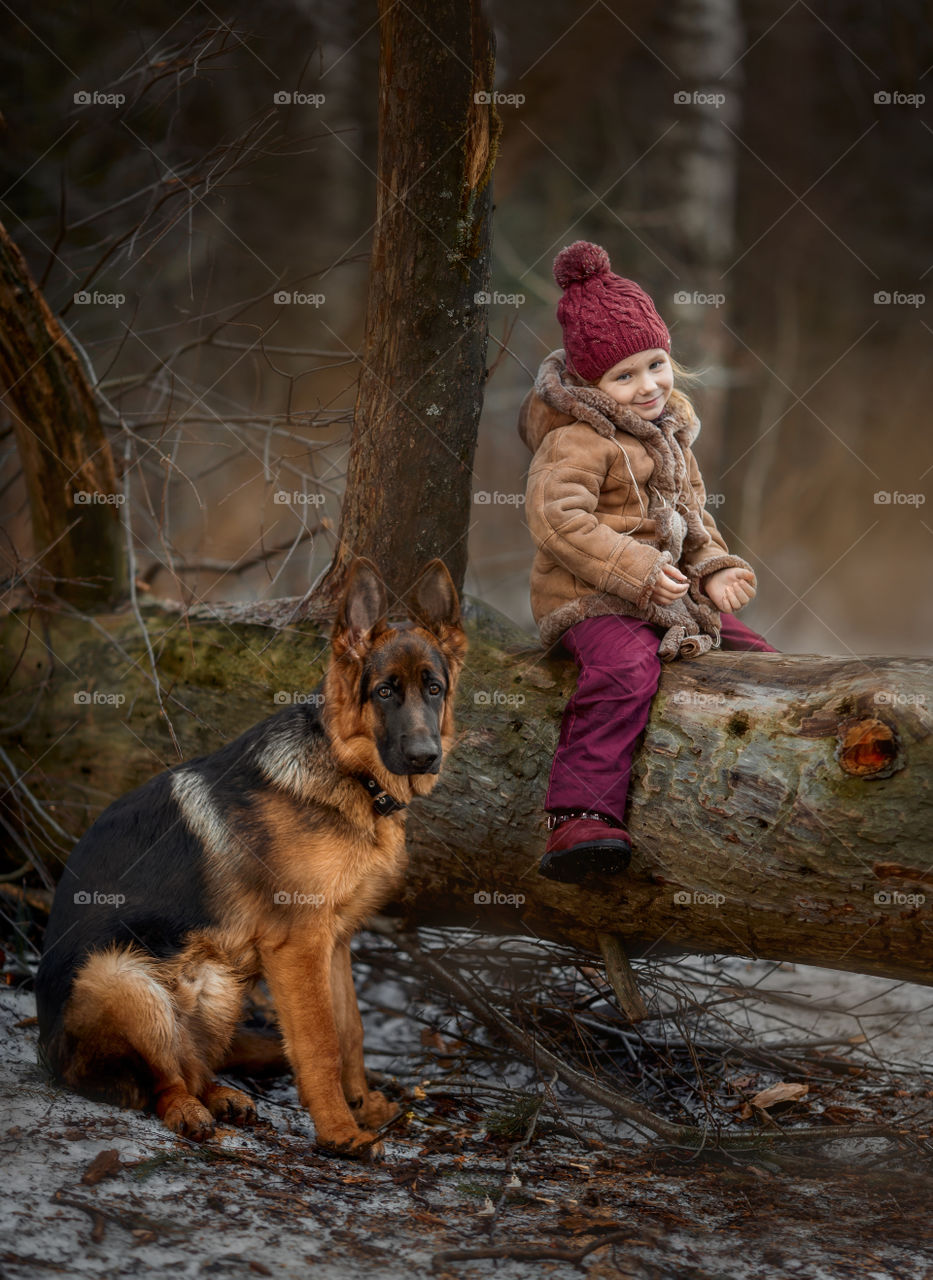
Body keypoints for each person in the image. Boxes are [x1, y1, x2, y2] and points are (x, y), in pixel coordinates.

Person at [520, 240, 777, 884]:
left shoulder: (669, 431)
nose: (648, 386)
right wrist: (634, 569)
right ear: (590, 384)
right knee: (626, 670)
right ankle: (578, 817)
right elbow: (558, 520)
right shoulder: (575, 440)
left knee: (757, 659)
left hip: (667, 596)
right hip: (592, 599)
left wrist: (714, 567)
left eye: (656, 364)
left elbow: (690, 516)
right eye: (624, 376)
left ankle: (778, 784)